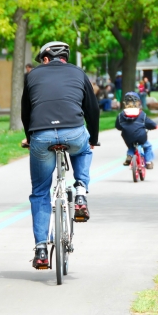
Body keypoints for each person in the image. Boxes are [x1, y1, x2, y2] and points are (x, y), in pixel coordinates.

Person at [21, 41, 100, 270]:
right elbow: (92, 109)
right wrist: (93, 139)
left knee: (40, 193)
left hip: (41, 136)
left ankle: (42, 250)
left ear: (45, 58)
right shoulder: (78, 72)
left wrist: (30, 136)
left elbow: (27, 112)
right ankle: (81, 192)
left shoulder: (32, 76)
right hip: (74, 132)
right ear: (65, 57)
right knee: (83, 147)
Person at [116, 92, 157, 169]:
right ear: (138, 102)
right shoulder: (141, 114)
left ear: (125, 102)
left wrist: (122, 128)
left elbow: (117, 126)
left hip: (127, 136)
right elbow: (149, 123)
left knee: (131, 146)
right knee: (148, 146)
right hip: (141, 136)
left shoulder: (121, 115)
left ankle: (129, 156)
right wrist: (155, 126)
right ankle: (148, 162)